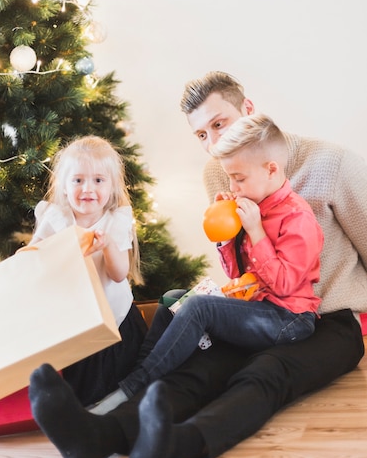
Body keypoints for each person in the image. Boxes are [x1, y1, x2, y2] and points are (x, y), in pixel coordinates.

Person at [28, 71, 367, 458]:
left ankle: (178, 444)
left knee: (265, 373)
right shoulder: (218, 173)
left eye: (220, 124)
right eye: (202, 135)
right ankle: (98, 438)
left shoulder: (332, 163)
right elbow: (241, 265)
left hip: (329, 320)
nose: (215, 143)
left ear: (249, 110)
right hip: (261, 305)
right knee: (201, 365)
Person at [98, 113, 323, 405]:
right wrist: (227, 235)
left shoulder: (297, 218)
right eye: (230, 177)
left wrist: (256, 233)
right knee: (171, 300)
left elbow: (282, 284)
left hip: (289, 319)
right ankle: (137, 378)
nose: (233, 186)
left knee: (200, 308)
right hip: (254, 306)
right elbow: (234, 273)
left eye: (239, 178)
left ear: (271, 169)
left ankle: (128, 391)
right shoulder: (250, 206)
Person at [28, 135, 147, 407]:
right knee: (79, 392)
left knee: (119, 386)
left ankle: (114, 409)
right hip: (76, 320)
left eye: (98, 180)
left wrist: (107, 247)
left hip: (115, 319)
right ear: (65, 186)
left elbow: (119, 274)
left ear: (113, 186)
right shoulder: (57, 217)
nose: (87, 189)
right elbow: (33, 255)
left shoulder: (116, 220)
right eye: (78, 180)